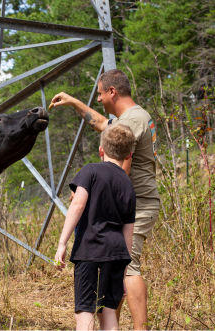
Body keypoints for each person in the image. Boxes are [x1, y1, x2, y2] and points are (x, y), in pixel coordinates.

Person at [51, 69, 160, 330]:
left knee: (129, 265)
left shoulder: (131, 122)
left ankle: (140, 328)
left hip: (136, 203)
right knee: (117, 268)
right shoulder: (132, 117)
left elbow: (123, 166)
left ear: (112, 91)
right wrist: (74, 102)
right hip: (133, 203)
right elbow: (102, 125)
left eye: (99, 93)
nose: (99, 99)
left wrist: (96, 192)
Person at [55, 124, 136, 331]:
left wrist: (62, 243)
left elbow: (78, 204)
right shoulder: (128, 185)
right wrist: (124, 273)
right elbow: (129, 234)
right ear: (129, 155)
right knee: (108, 313)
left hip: (90, 250)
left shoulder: (90, 170)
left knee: (85, 311)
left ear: (101, 150)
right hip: (117, 254)